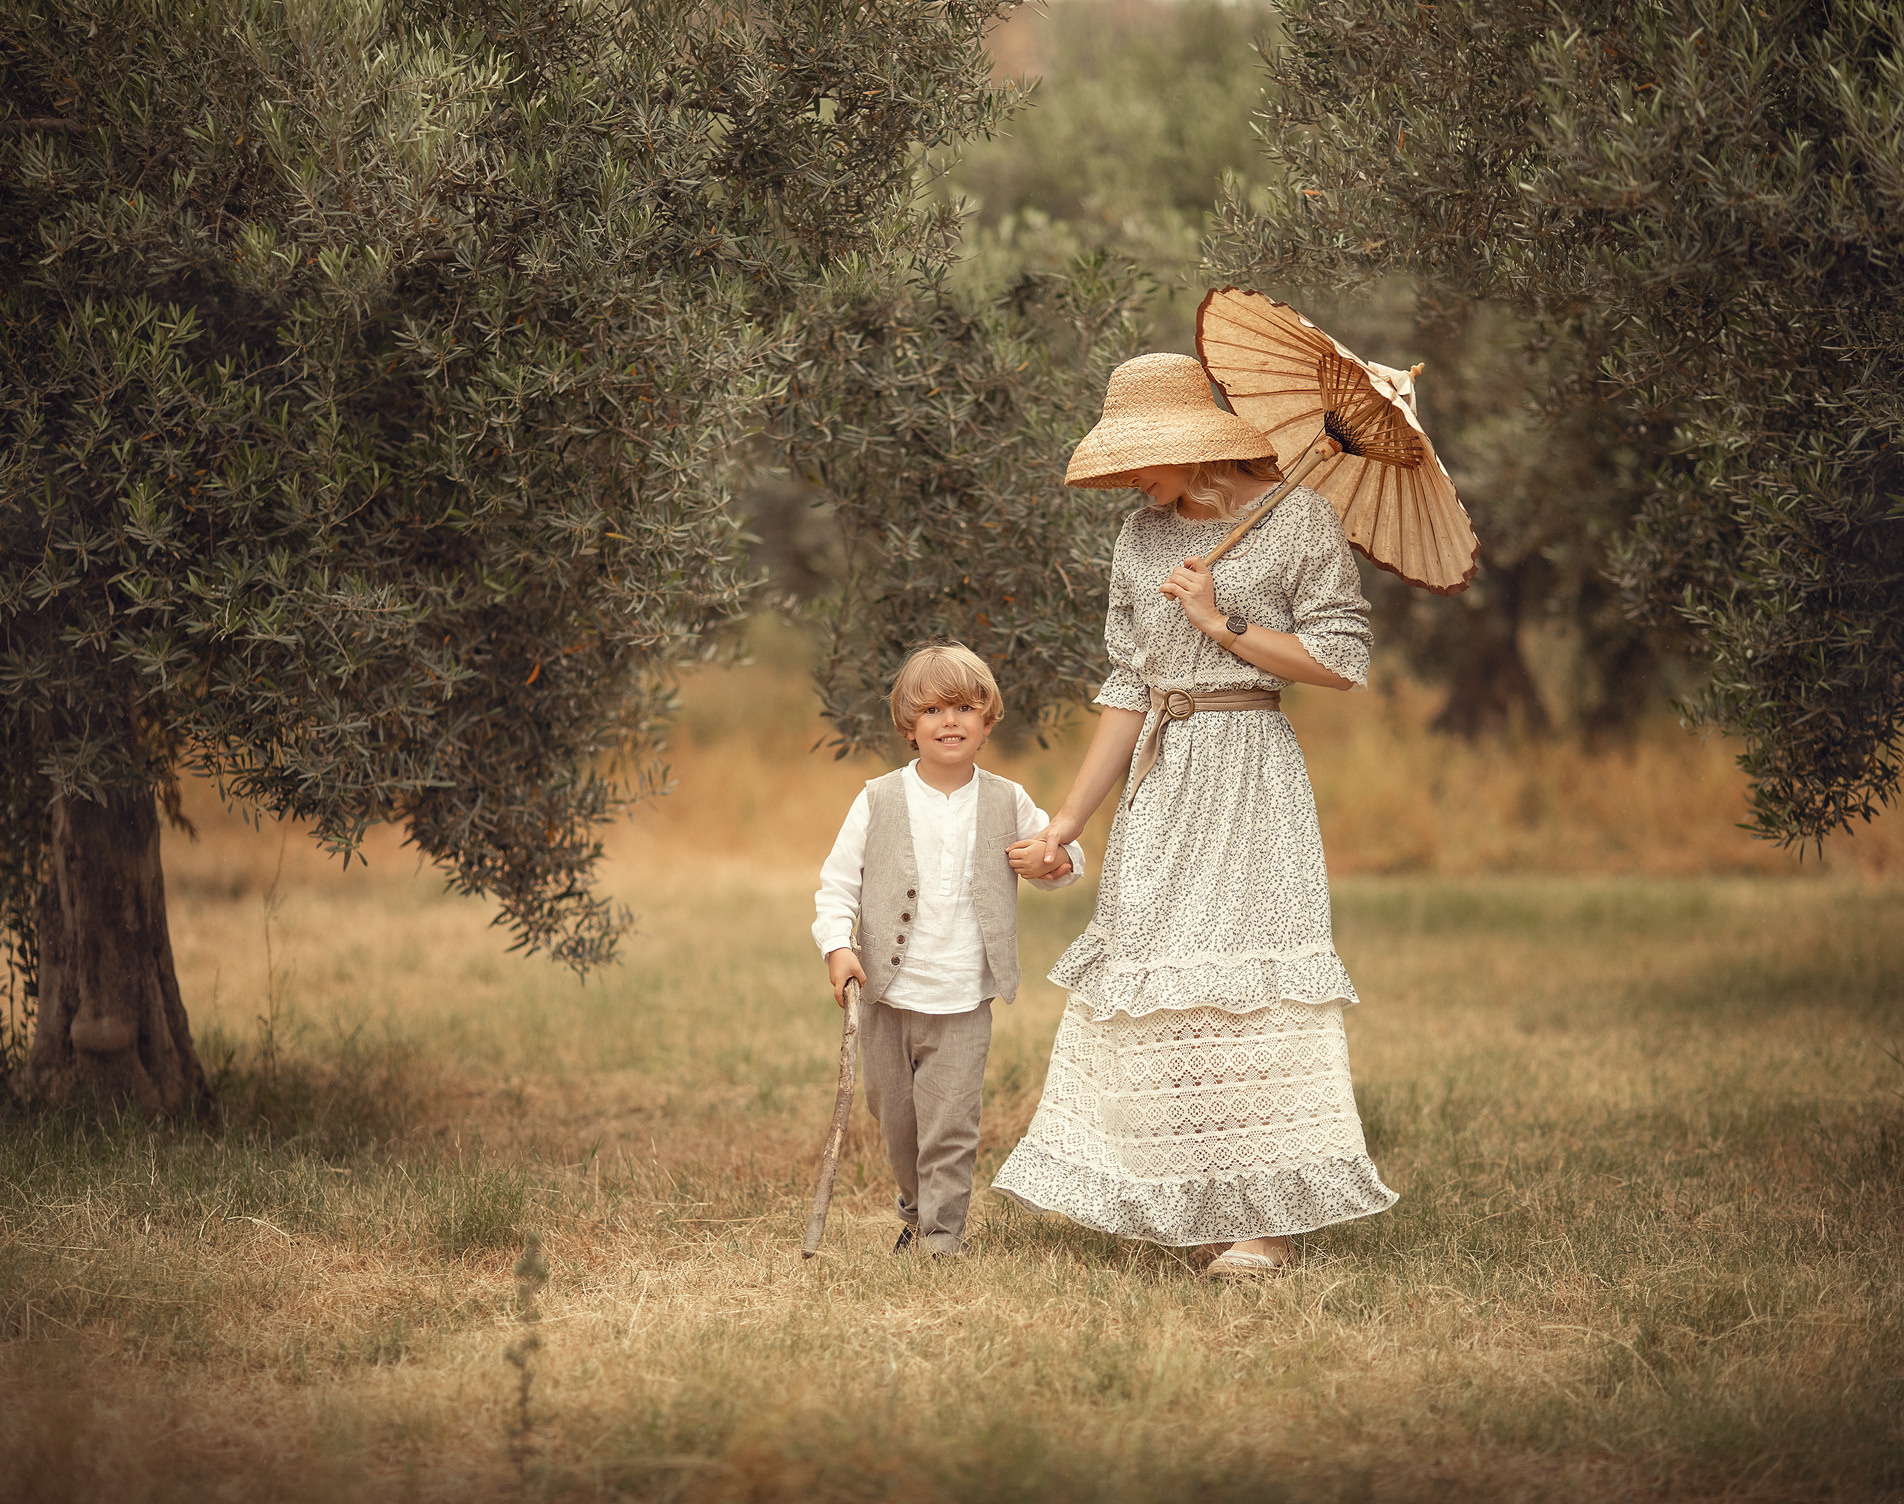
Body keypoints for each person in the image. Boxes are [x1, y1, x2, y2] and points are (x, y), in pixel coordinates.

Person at [992, 352, 1397, 1278]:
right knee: (1167, 975)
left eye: (1142, 456)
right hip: (1160, 778)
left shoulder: (1300, 521)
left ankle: (1269, 1223)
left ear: (1191, 444)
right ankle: (1200, 1197)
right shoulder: (1139, 537)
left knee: (1247, 984)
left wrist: (1225, 627)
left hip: (1252, 770)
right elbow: (1129, 685)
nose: (1133, 477)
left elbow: (1340, 660)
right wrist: (1067, 820)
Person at [814, 643, 1085, 1257]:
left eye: (965, 707)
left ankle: (942, 1235)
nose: (949, 721)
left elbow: (1061, 859)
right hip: (888, 994)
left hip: (964, 995)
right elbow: (838, 880)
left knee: (951, 1123)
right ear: (909, 727)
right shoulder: (877, 798)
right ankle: (915, 1211)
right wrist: (838, 945)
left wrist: (1054, 859)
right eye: (932, 710)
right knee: (897, 1121)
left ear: (989, 720)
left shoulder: (1007, 799)